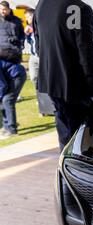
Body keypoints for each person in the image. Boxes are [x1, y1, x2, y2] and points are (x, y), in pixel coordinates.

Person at [34, 0, 93, 150]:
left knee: (65, 130)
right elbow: (86, 51)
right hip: (74, 84)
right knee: (80, 138)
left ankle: (66, 164)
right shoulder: (78, 8)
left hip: (51, 80)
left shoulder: (42, 4)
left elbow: (38, 45)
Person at [0, 0, 26, 140]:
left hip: (14, 62)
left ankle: (11, 128)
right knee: (5, 98)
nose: (3, 11)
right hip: (3, 61)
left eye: (5, 9)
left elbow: (22, 36)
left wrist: (19, 44)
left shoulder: (16, 21)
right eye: (1, 9)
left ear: (9, 9)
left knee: (7, 98)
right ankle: (7, 126)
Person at [24, 8, 38, 90]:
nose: (26, 19)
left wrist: (33, 30)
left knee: (46, 78)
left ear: (33, 16)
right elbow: (30, 41)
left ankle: (46, 98)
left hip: (42, 55)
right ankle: (40, 96)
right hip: (33, 55)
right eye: (25, 17)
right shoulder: (28, 27)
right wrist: (27, 34)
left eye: (28, 17)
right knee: (33, 77)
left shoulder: (41, 25)